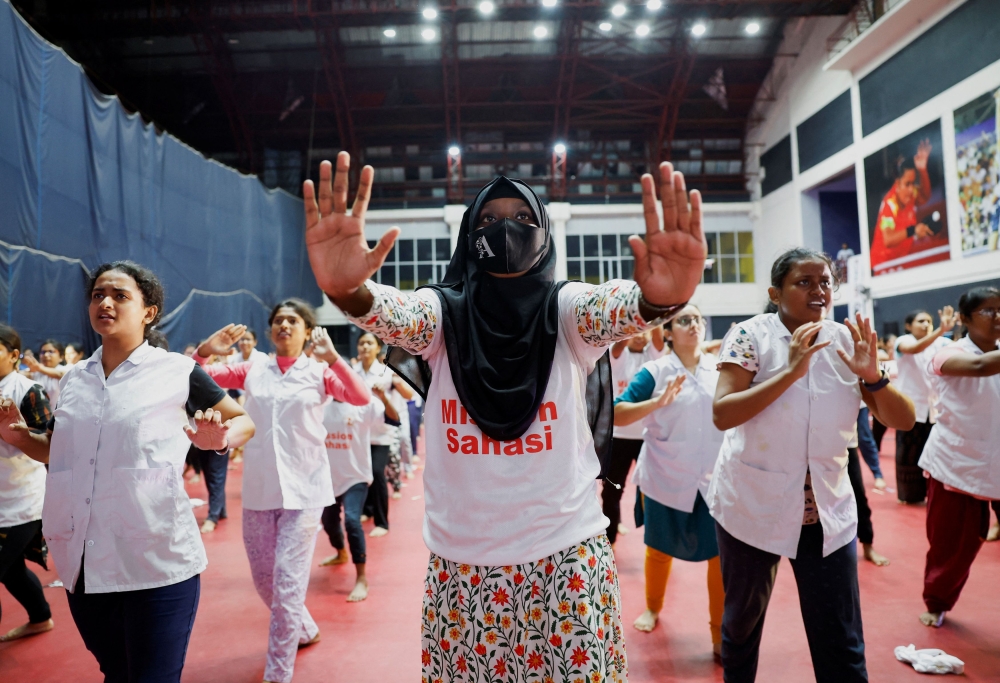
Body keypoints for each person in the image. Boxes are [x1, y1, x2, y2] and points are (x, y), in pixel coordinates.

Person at [304, 151, 707, 683]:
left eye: (523, 219)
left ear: (544, 235)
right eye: (488, 220)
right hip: (462, 571)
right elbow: (396, 315)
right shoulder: (441, 315)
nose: (505, 229)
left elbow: (613, 309)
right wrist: (346, 292)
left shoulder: (566, 311)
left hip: (565, 564)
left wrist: (661, 298)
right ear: (468, 235)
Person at [0, 260, 255, 682]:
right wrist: (16, 436)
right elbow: (57, 453)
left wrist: (219, 439)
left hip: (156, 563)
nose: (106, 302)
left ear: (148, 311)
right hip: (85, 565)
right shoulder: (74, 378)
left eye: (120, 295)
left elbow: (243, 420)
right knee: (116, 673)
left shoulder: (176, 371)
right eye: (98, 294)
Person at [710, 247, 915, 683]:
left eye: (825, 281)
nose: (818, 290)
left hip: (827, 514)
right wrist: (789, 372)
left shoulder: (848, 342)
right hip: (751, 509)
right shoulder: (750, 336)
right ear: (775, 292)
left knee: (840, 641)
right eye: (804, 282)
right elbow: (723, 413)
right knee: (742, 625)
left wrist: (873, 378)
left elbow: (904, 420)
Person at [195, 302, 370, 683]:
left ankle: (278, 674)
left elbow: (360, 397)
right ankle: (304, 629)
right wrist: (206, 350)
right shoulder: (254, 368)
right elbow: (199, 378)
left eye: (293, 320)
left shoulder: (319, 372)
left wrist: (336, 359)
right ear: (271, 330)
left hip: (305, 490)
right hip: (260, 489)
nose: (284, 325)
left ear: (308, 330)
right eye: (278, 321)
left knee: (288, 584)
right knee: (264, 581)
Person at [613, 304, 725, 657]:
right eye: (684, 320)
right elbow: (616, 411)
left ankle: (719, 636)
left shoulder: (721, 370)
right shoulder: (654, 371)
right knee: (659, 550)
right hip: (664, 476)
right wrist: (657, 402)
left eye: (698, 319)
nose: (693, 325)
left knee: (720, 558)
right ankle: (652, 606)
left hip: (712, 480)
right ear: (669, 331)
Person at [917, 286, 1000, 628]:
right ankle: (936, 602)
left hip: (995, 457)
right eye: (988, 311)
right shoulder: (945, 354)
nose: (998, 317)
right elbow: (980, 367)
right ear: (965, 319)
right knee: (953, 543)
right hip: (957, 463)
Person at [318, 383, 399, 603]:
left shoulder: (363, 404)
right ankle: (340, 552)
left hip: (356, 478)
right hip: (328, 480)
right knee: (328, 521)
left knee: (352, 520)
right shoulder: (321, 406)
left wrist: (383, 397)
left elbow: (394, 419)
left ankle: (361, 578)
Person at [0, 324, 55, 643]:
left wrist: (18, 435)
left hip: (21, 499)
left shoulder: (28, 390)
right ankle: (41, 618)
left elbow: (47, 445)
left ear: (15, 355)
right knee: (11, 570)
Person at [605, 328, 665, 546]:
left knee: (652, 489)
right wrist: (632, 322)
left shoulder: (653, 356)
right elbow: (620, 344)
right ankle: (609, 537)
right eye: (635, 331)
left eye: (644, 331)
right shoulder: (618, 353)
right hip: (618, 437)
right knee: (613, 490)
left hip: (646, 437)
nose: (640, 335)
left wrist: (656, 313)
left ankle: (657, 538)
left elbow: (658, 338)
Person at [893, 307, 956, 503]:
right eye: (921, 321)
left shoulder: (941, 343)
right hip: (910, 408)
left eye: (929, 321)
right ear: (908, 326)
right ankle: (910, 495)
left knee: (934, 452)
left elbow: (961, 350)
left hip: (934, 409)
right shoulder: (903, 341)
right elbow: (914, 349)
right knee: (908, 453)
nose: (926, 324)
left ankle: (933, 492)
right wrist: (941, 329)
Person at [351, 332, 399, 537]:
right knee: (362, 474)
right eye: (361, 343)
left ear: (377, 347)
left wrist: (384, 396)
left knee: (378, 473)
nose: (365, 347)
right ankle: (366, 510)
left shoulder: (385, 372)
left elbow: (403, 394)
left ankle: (382, 521)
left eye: (369, 343)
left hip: (380, 432)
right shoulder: (352, 371)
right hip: (358, 432)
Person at [869, 140, 934, 271]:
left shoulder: (910, 194)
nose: (911, 189)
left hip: (900, 263)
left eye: (913, 183)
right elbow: (888, 239)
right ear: (897, 183)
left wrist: (922, 170)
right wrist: (913, 230)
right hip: (881, 267)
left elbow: (925, 196)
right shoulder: (890, 204)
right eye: (907, 184)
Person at [22, 339, 66, 406]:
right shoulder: (35, 371)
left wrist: (39, 368)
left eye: (51, 352)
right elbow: (20, 374)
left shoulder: (65, 369)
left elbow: (61, 374)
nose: (45, 355)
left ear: (61, 357)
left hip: (60, 414)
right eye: (43, 352)